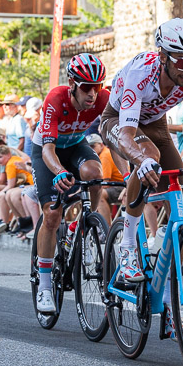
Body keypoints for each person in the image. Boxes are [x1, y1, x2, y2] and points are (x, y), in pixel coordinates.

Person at [100, 18, 183, 340]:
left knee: (180, 202)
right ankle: (129, 244)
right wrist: (141, 160)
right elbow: (129, 136)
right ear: (163, 56)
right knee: (150, 160)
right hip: (119, 121)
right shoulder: (140, 75)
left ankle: (166, 293)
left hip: (156, 123)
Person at [32, 53, 110, 313]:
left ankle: (86, 223)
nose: (92, 94)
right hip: (48, 151)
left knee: (94, 172)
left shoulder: (102, 100)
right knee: (52, 215)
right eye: (87, 87)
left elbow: (115, 134)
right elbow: (47, 149)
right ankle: (44, 286)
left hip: (75, 144)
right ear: (72, 83)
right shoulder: (56, 98)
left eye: (97, 87)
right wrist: (58, 172)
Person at [86, 133, 125, 222]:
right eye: (89, 147)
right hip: (116, 185)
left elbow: (104, 183)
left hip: (121, 186)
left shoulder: (105, 155)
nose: (92, 150)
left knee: (99, 194)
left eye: (93, 146)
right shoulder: (102, 154)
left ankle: (107, 229)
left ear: (101, 145)